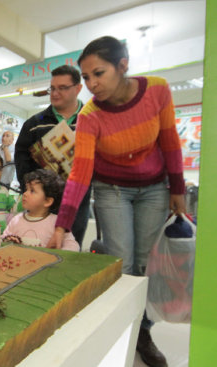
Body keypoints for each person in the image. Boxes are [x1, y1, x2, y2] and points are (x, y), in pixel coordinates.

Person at [49, 36, 186, 367]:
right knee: (122, 262)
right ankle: (122, 328)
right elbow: (80, 172)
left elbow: (169, 140)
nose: (92, 84)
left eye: (99, 73)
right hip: (111, 189)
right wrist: (62, 222)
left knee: (145, 263)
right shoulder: (91, 115)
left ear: (122, 65)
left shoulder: (157, 90)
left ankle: (142, 332)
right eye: (86, 78)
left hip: (154, 188)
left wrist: (177, 189)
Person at [15, 64, 91, 247]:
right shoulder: (34, 124)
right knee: (39, 250)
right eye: (52, 88)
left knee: (70, 250)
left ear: (78, 88)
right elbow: (21, 159)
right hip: (43, 204)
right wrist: (34, 187)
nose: (55, 93)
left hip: (78, 203)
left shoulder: (91, 120)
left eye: (63, 88)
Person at [3, 169, 79, 251]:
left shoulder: (57, 224)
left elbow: (73, 246)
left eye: (32, 191)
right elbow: (3, 240)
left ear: (47, 201)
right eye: (26, 189)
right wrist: (7, 240)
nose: (25, 194)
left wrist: (58, 253)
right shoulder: (16, 220)